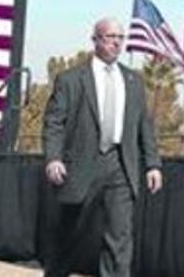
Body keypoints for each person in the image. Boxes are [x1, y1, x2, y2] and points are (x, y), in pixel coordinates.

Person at [42, 17, 163, 277]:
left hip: (120, 166)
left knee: (119, 237)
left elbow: (144, 126)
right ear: (95, 39)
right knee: (69, 234)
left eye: (120, 38)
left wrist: (152, 164)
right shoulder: (71, 79)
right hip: (82, 165)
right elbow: (54, 123)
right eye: (110, 37)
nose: (116, 43)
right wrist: (53, 158)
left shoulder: (133, 81)